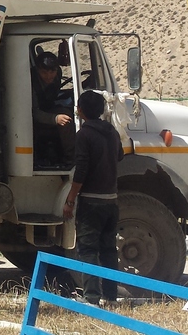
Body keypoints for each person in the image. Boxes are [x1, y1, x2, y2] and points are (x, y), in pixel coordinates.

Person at [63, 90, 124, 305]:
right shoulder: (112, 132)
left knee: (88, 249)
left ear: (79, 111)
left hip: (91, 201)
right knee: (108, 249)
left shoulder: (84, 135)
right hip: (111, 200)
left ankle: (91, 297)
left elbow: (81, 171)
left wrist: (71, 199)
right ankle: (111, 296)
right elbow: (120, 156)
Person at [32, 51, 75, 170]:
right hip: (34, 116)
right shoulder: (31, 84)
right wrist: (55, 119)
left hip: (48, 107)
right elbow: (34, 112)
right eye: (44, 72)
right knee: (65, 118)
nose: (48, 76)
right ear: (37, 70)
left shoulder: (58, 75)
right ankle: (70, 159)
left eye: (52, 72)